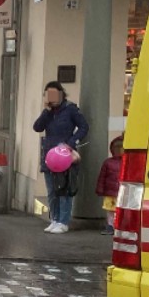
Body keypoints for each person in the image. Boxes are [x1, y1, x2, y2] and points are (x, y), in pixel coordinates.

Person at [33, 81, 88, 234]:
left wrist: (71, 143)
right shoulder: (49, 112)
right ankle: (54, 219)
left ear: (61, 94)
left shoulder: (71, 109)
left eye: (54, 94)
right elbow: (37, 127)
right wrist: (46, 111)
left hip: (65, 154)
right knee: (52, 190)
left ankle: (63, 221)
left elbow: (84, 127)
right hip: (50, 155)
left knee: (64, 189)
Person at [96, 136, 123, 235]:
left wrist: (100, 189)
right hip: (112, 193)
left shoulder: (109, 162)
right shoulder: (108, 162)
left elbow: (102, 178)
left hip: (114, 192)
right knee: (111, 211)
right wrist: (100, 189)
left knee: (114, 211)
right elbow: (102, 177)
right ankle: (111, 226)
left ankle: (114, 226)